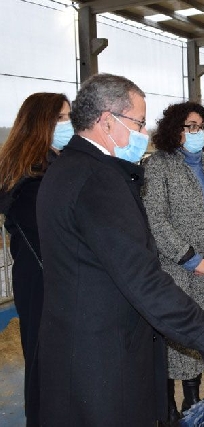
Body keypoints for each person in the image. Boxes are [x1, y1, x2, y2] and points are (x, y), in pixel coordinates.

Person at [36, 73, 204, 426]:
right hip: (102, 357)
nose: (143, 134)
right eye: (138, 123)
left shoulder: (68, 169)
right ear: (106, 121)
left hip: (79, 344)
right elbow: (142, 278)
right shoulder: (98, 182)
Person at [142, 101, 204, 420]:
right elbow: (156, 218)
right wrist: (191, 259)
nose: (197, 132)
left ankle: (193, 399)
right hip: (176, 271)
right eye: (189, 126)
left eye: (200, 126)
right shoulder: (159, 165)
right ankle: (167, 406)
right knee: (174, 335)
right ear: (174, 130)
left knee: (201, 330)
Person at [0, 92, 72, 426]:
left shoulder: (55, 166)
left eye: (69, 116)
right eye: (60, 118)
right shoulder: (30, 178)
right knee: (46, 366)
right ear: (39, 123)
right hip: (43, 281)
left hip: (52, 278)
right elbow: (55, 235)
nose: (67, 124)